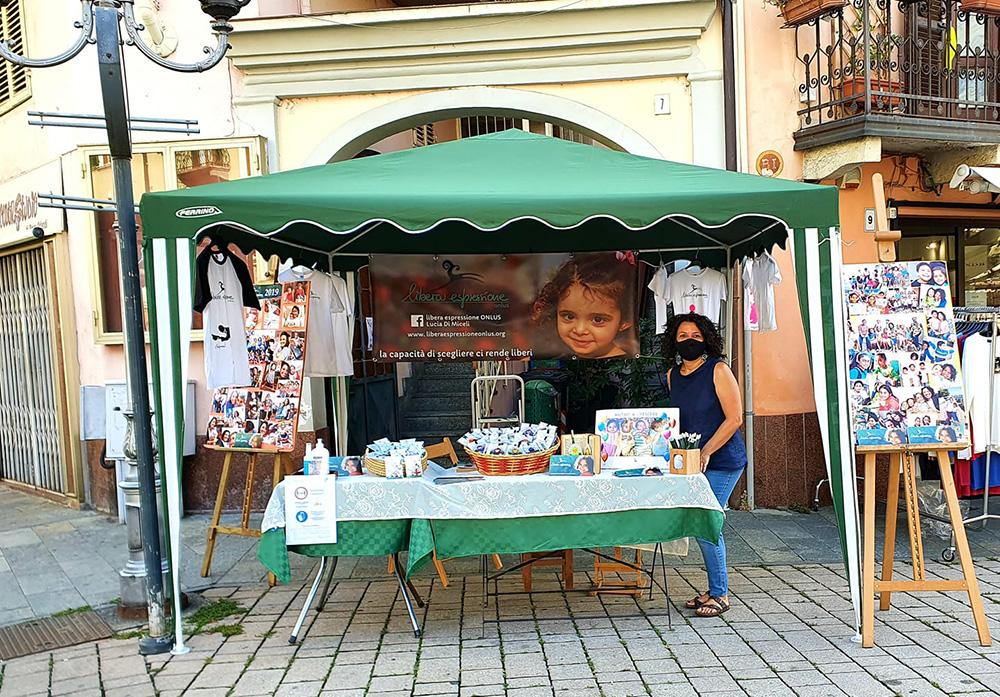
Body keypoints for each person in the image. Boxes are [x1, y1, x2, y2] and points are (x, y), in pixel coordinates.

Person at [664, 313, 747, 618]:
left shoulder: (718, 370)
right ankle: (714, 590)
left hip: (723, 461)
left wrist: (707, 451)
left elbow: (735, 418)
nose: (689, 341)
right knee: (702, 523)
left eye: (696, 336)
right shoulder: (672, 376)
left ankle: (721, 595)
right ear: (673, 339)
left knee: (706, 524)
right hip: (691, 462)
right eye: (683, 335)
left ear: (707, 340)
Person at [530, 253, 637, 359]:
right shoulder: (553, 358)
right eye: (569, 317)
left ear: (625, 320)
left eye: (597, 319)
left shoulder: (628, 367)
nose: (580, 330)